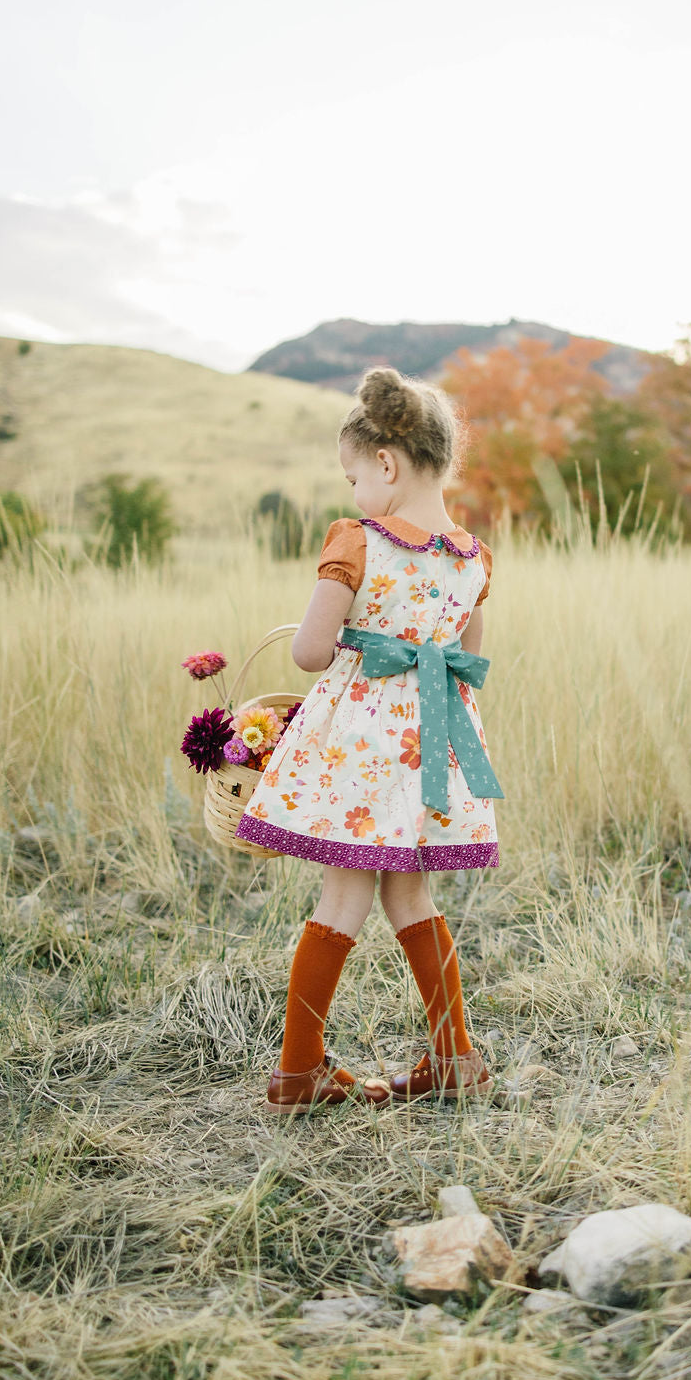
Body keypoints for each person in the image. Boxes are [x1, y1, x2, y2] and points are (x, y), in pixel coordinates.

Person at [235, 365, 504, 1115]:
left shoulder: (358, 541)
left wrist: (360, 636)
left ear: (385, 465)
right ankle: (455, 1057)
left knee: (342, 893)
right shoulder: (473, 560)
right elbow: (469, 663)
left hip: (363, 751)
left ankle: (298, 1071)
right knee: (411, 893)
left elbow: (310, 654)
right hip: (432, 748)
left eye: (354, 476)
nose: (353, 493)